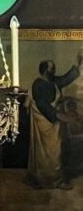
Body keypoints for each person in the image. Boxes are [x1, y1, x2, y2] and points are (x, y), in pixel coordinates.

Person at [27, 54, 81, 189]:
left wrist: (79, 65)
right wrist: (58, 115)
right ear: (46, 70)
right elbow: (42, 105)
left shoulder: (53, 82)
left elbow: (65, 79)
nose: (54, 70)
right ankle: (49, 180)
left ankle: (56, 179)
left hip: (54, 123)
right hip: (45, 123)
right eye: (52, 68)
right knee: (48, 153)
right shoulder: (39, 84)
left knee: (56, 152)